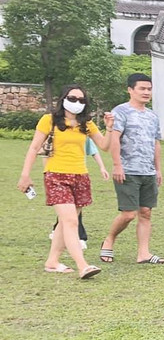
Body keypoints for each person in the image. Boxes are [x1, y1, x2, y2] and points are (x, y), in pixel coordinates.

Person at [15, 85, 111, 278]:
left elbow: (104, 145)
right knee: (70, 221)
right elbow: (34, 148)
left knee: (65, 222)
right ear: (63, 99)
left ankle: (52, 261)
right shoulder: (49, 120)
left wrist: (109, 128)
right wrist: (25, 174)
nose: (77, 103)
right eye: (73, 98)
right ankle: (82, 265)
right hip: (56, 175)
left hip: (80, 176)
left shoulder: (86, 123)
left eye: (81, 100)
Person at [99, 73, 164, 265]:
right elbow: (114, 138)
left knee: (146, 212)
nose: (146, 92)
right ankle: (109, 239)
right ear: (130, 90)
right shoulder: (120, 111)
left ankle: (143, 253)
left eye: (149, 89)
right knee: (128, 213)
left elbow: (156, 143)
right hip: (127, 170)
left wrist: (158, 169)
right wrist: (117, 165)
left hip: (148, 172)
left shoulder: (153, 116)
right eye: (142, 89)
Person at [50, 135, 109, 249]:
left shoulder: (83, 133)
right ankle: (79, 236)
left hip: (78, 175)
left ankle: (61, 232)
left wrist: (102, 167)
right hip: (60, 175)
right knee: (67, 206)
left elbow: (94, 150)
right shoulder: (58, 132)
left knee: (74, 206)